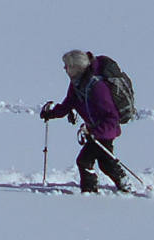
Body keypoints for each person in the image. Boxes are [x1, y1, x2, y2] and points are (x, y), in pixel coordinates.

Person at [39, 49, 129, 192]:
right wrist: (52, 113)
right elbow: (69, 103)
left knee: (84, 161)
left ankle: (90, 191)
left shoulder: (98, 88)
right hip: (94, 130)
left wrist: (95, 131)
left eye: (67, 66)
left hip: (103, 131)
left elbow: (112, 117)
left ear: (75, 68)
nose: (64, 69)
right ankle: (123, 184)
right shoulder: (77, 83)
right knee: (106, 162)